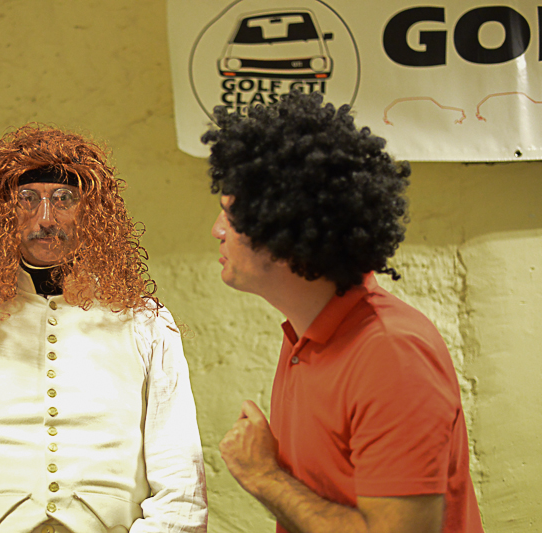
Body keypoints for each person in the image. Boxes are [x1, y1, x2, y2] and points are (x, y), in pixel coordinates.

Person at [0, 125, 208, 533]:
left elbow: (182, 491)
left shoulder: (146, 323)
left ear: (91, 212)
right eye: (27, 199)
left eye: (64, 199)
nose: (45, 218)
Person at [204, 91, 483, 533]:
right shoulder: (304, 336)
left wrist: (264, 477)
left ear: (284, 231)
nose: (217, 230)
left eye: (230, 216)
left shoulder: (391, 354)